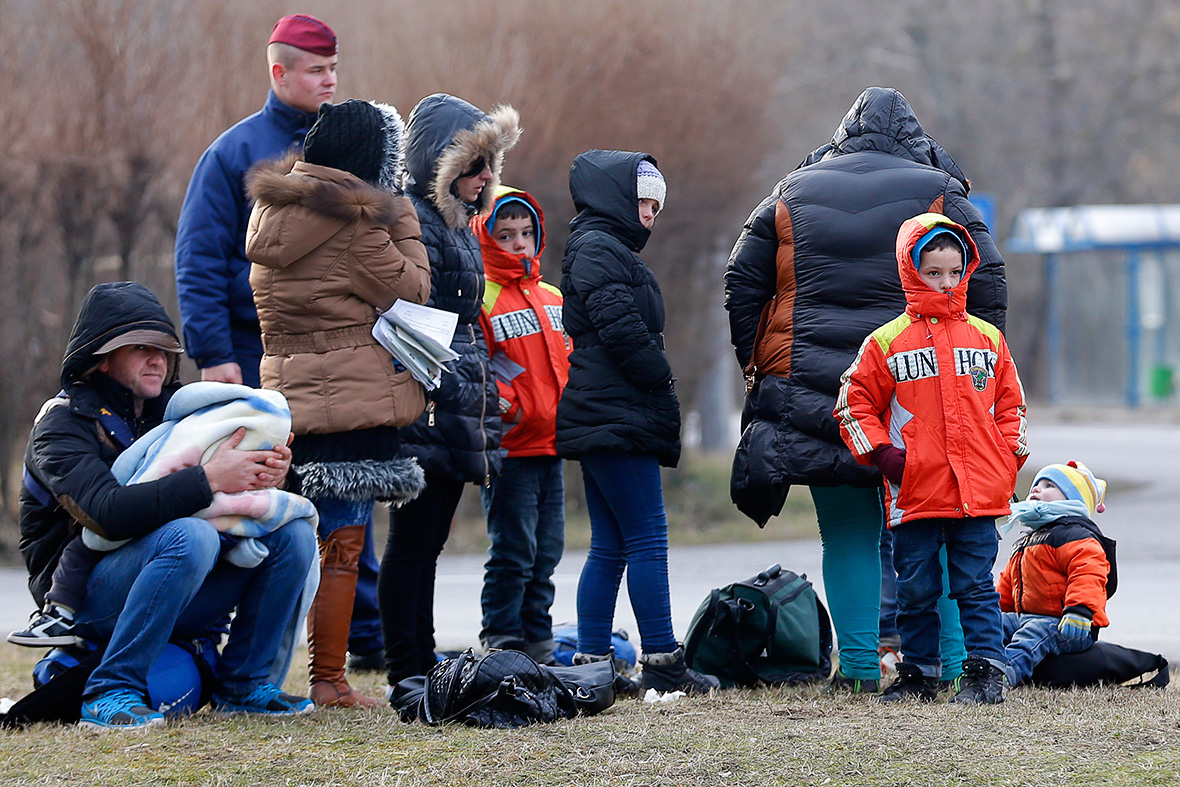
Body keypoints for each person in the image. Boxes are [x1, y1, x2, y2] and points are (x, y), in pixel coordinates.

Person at [725, 87, 1008, 692]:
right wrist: (975, 369)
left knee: (847, 530)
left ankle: (856, 669)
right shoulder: (940, 189)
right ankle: (952, 665)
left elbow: (742, 281)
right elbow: (989, 279)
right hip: (925, 390)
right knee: (944, 530)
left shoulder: (792, 190)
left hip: (814, 388)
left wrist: (760, 365)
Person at [17, 281, 317, 729]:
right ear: (101, 357)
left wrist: (272, 473)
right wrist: (210, 478)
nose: (157, 359)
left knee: (292, 533)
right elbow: (106, 513)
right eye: (140, 348)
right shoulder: (61, 423)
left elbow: (235, 496)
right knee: (190, 535)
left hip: (176, 577)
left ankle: (243, 687)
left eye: (164, 349)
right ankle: (109, 691)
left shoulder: (178, 413)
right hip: (85, 602)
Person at [246, 99, 431, 707]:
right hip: (348, 398)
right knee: (342, 545)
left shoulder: (272, 211)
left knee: (290, 542)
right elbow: (412, 288)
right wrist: (401, 213)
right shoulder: (356, 224)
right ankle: (328, 678)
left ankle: (261, 673)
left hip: (287, 396)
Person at [835, 213, 1028, 704]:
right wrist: (884, 456)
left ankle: (986, 673)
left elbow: (1012, 406)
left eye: (954, 272)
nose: (945, 282)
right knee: (916, 588)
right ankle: (918, 674)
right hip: (915, 491)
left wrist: (1005, 459)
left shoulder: (987, 338)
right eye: (933, 272)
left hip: (979, 493)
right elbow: (853, 402)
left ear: (967, 271)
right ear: (910, 270)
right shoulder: (886, 342)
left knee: (975, 586)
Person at [556, 150, 718, 694]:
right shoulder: (598, 247)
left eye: (656, 206)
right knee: (647, 535)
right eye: (644, 201)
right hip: (616, 409)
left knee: (611, 543)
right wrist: (660, 375)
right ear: (616, 198)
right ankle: (662, 659)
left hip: (605, 409)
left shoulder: (601, 246)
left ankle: (592, 663)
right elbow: (620, 328)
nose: (650, 214)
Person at [378, 94, 520, 686]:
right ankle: (404, 667)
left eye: (490, 165)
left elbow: (466, 321)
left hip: (456, 399)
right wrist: (457, 381)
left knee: (430, 540)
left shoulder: (456, 225)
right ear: (442, 164)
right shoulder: (412, 220)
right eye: (475, 165)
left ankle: (423, 658)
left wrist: (485, 383)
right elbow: (412, 320)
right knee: (412, 542)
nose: (486, 177)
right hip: (427, 403)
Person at [471, 186, 571, 664]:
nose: (519, 243)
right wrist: (510, 406)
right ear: (486, 238)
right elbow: (478, 368)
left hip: (552, 443)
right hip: (510, 448)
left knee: (547, 550)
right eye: (506, 234)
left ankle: (538, 637)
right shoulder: (482, 298)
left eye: (526, 232)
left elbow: (567, 359)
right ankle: (502, 636)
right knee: (513, 550)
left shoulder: (552, 297)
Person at [998, 461, 1113, 687]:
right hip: (1026, 618)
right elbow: (1007, 584)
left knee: (1035, 632)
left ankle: (1003, 675)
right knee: (991, 624)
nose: (1036, 489)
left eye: (1049, 485)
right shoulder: (1027, 541)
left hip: (1069, 624)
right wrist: (993, 611)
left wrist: (1079, 610)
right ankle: (969, 665)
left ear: (1072, 500)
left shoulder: (1078, 537)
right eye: (1036, 485)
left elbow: (1088, 575)